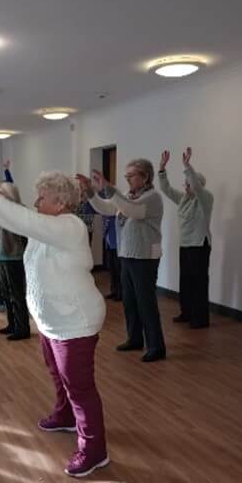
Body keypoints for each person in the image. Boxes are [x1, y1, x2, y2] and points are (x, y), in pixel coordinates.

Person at [0, 170, 110, 479]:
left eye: (42, 197)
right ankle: (64, 416)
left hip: (75, 322)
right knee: (57, 375)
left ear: (60, 203)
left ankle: (94, 449)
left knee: (80, 388)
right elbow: (11, 220)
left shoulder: (69, 227)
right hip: (51, 321)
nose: (36, 202)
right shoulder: (47, 228)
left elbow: (23, 219)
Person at [81, 154, 168, 360]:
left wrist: (108, 187)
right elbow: (107, 208)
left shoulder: (152, 197)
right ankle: (135, 338)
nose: (127, 179)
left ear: (145, 177)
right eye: (126, 175)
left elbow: (131, 211)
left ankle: (156, 346)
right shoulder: (130, 196)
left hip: (144, 257)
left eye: (131, 175)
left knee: (145, 302)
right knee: (129, 300)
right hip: (128, 255)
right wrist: (91, 191)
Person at [157, 147, 215, 327]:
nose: (186, 185)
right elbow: (166, 189)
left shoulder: (205, 198)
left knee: (198, 283)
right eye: (186, 183)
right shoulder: (183, 198)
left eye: (188, 183)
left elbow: (196, 186)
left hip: (199, 245)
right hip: (185, 245)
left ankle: (200, 319)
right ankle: (186, 313)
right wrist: (161, 168)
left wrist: (187, 165)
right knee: (186, 280)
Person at [0, 182, 31, 340]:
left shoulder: (18, 208)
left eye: (1, 193)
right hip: (2, 255)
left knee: (17, 294)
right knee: (6, 293)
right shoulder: (3, 210)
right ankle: (12, 324)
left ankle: (23, 328)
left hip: (15, 256)